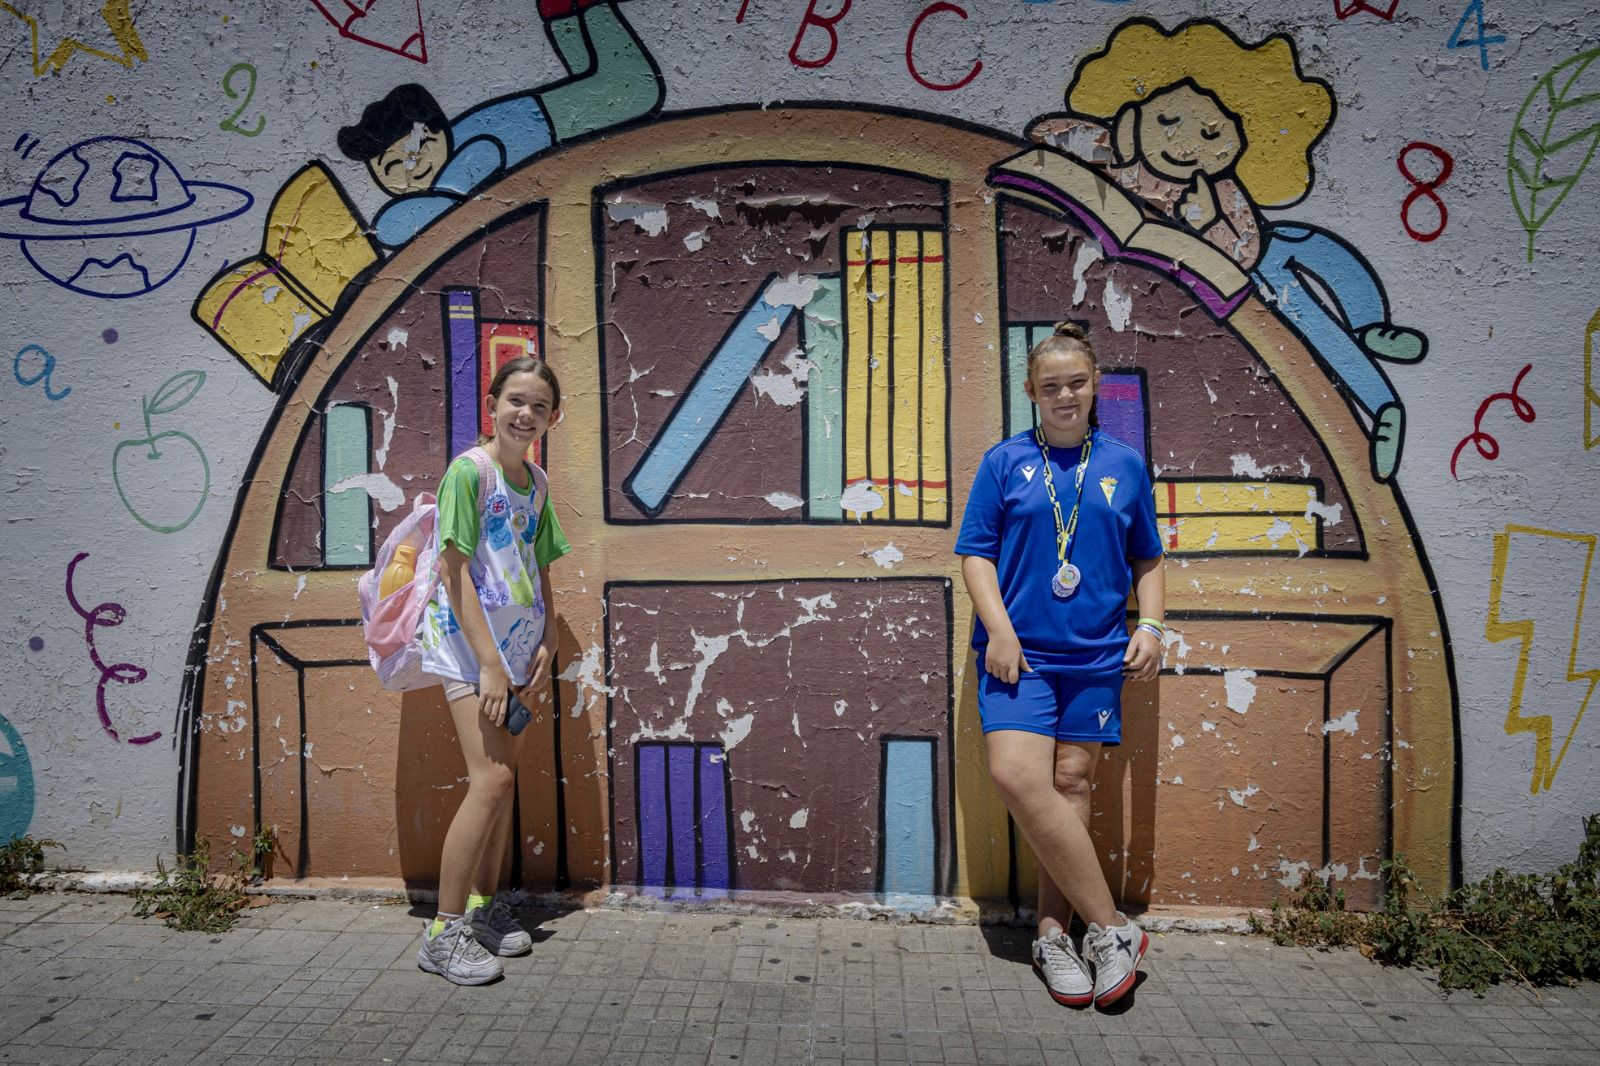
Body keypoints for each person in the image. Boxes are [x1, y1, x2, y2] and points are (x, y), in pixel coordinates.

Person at [1026, 17, 1427, 481]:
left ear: (1236, 146)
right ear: (1134, 119)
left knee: (1331, 256)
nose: (1185, 143)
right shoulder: (1118, 157)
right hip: (1262, 272)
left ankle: (1372, 326)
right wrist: (1115, 135)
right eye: (1167, 121)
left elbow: (1246, 250)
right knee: (1316, 327)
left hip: (1266, 255)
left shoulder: (1221, 188)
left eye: (1211, 134)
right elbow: (1044, 131)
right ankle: (1383, 405)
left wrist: (1209, 221)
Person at [955, 322, 1165, 1009]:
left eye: (1077, 383)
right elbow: (976, 554)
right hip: (1019, 656)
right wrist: (999, 630)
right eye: (1052, 386)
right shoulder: (1005, 462)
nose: (1066, 395)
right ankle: (1113, 927)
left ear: (1095, 384)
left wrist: (1152, 625)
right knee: (1017, 775)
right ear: (1031, 391)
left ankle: (1054, 935)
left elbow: (1148, 556)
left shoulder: (1124, 465)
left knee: (1072, 783)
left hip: (1097, 656)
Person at [415, 356, 570, 984]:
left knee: (505, 781)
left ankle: (484, 909)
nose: (525, 413)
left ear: (552, 418)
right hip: (471, 651)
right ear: (492, 405)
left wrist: (549, 632)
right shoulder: (469, 473)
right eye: (515, 400)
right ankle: (443, 933)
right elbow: (453, 569)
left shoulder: (536, 482)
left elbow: (539, 562)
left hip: (520, 650)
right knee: (492, 780)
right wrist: (488, 665)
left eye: (539, 406)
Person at [337, 1, 662, 248]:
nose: (412, 164)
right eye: (393, 166)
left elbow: (475, 166)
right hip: (541, 117)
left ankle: (580, 8)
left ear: (441, 131)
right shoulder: (449, 161)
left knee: (633, 88)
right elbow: (390, 228)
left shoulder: (466, 158)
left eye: (421, 146)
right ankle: (562, 9)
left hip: (550, 120)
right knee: (597, 74)